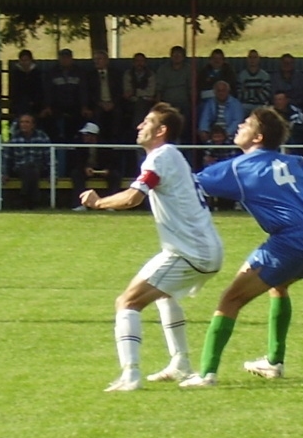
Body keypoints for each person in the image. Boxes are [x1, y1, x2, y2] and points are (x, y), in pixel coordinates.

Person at [179, 107, 303, 387]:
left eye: (246, 124)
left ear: (258, 136)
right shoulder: (293, 161)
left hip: (290, 241)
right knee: (279, 286)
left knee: (230, 299)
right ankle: (273, 362)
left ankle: (205, 375)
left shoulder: (240, 167)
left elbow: (189, 184)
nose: (239, 126)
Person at [79, 102, 223, 392]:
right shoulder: (172, 157)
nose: (139, 127)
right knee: (163, 296)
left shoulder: (161, 156)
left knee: (127, 302)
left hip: (189, 252)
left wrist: (98, 203)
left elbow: (133, 198)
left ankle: (130, 375)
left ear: (161, 130)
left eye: (147, 122)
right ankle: (181, 362)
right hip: (199, 249)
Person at [2, 114, 51, 209]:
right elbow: (7, 157)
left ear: (33, 125)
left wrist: (53, 174)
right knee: (29, 168)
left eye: (27, 122)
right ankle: (35, 199)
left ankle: (24, 196)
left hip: (39, 167)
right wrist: (4, 173)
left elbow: (49, 156)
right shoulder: (14, 137)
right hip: (19, 168)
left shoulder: (42, 136)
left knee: (31, 168)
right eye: (22, 122)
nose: (24, 124)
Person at [70, 122, 122, 211]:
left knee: (115, 176)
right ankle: (79, 204)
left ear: (94, 136)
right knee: (76, 174)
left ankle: (111, 205)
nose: (84, 137)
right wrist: (85, 168)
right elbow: (77, 161)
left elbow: (113, 160)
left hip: (103, 170)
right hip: (87, 170)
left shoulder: (105, 145)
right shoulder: (80, 145)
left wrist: (107, 169)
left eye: (86, 135)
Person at [154, 45, 191, 138]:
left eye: (179, 55)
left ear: (183, 57)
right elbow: (159, 88)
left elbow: (192, 87)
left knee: (186, 124)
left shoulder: (189, 69)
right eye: (175, 55)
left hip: (184, 102)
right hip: (168, 102)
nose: (177, 57)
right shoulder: (163, 69)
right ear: (171, 56)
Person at [123, 52, 156, 131]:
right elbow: (127, 92)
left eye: (141, 61)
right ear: (133, 63)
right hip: (130, 102)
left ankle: (137, 129)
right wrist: (142, 94)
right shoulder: (128, 74)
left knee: (141, 104)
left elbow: (151, 92)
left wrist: (135, 92)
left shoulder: (150, 74)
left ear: (145, 63)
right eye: (137, 61)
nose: (139, 63)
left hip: (147, 102)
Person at [8, 49, 44, 120]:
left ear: (31, 60)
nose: (24, 63)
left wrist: (33, 101)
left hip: (35, 103)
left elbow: (39, 90)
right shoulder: (16, 73)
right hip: (20, 103)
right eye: (22, 60)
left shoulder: (36, 73)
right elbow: (15, 91)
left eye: (26, 60)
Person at [236, 49, 271, 116]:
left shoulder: (265, 76)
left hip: (260, 105)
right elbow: (240, 96)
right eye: (250, 57)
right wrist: (257, 92)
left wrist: (248, 91)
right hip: (245, 106)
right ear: (247, 60)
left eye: (255, 57)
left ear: (259, 59)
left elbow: (266, 96)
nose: (252, 60)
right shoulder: (242, 75)